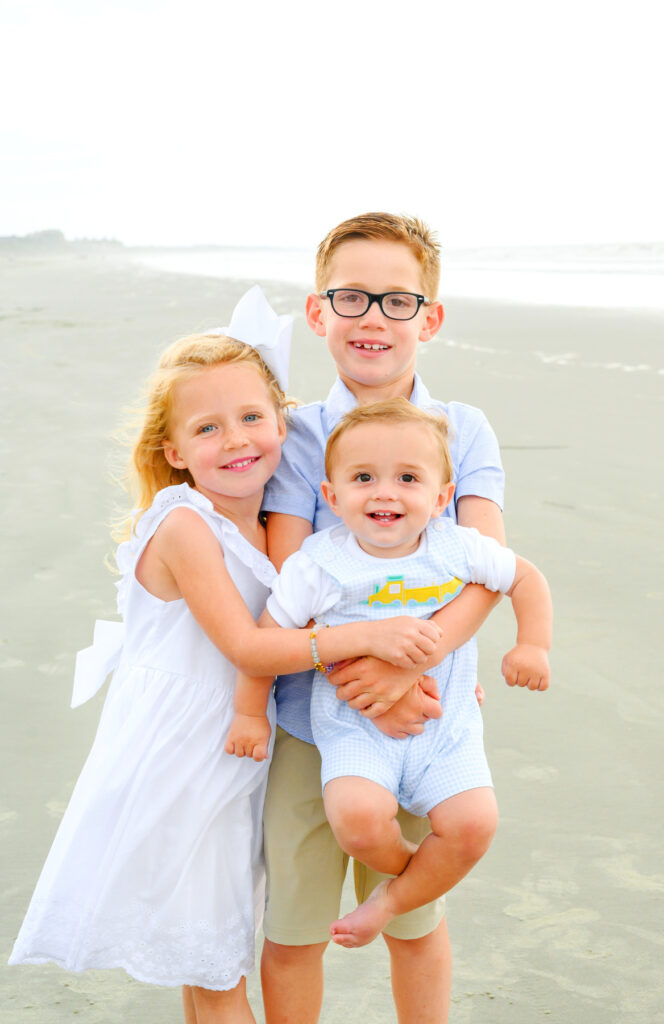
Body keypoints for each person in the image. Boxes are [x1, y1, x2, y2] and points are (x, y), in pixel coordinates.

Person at [8, 288, 444, 1024]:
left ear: (284, 423)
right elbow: (247, 646)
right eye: (208, 428)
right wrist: (369, 640)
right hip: (184, 758)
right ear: (174, 451)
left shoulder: (280, 521)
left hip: (239, 754)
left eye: (251, 418)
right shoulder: (184, 524)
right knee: (213, 966)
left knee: (209, 950)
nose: (237, 439)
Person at [258, 212, 508, 1024]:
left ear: (429, 318)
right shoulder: (296, 434)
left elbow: (486, 577)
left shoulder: (464, 428)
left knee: (414, 925)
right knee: (294, 929)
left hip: (428, 709)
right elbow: (286, 577)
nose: (373, 318)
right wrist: (359, 667)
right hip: (308, 714)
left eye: (397, 301)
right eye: (352, 297)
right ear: (317, 312)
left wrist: (410, 666)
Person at [230, 398, 552, 952]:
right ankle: (413, 873)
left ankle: (390, 902)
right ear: (331, 497)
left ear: (441, 497)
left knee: (475, 825)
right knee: (357, 820)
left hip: (444, 727)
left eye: (408, 478)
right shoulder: (319, 564)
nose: (385, 491)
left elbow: (525, 578)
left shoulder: (457, 547)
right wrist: (248, 712)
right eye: (363, 477)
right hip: (354, 726)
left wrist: (533, 644)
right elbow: (269, 641)